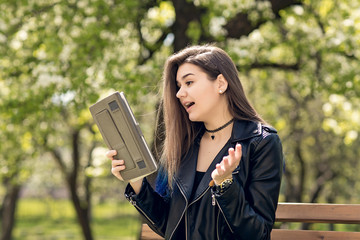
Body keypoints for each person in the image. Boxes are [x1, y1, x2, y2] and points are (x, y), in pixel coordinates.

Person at [106, 44, 284, 240]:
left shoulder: (262, 143)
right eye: (178, 86)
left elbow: (258, 234)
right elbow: (169, 224)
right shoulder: (184, 144)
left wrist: (225, 185)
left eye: (188, 82)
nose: (179, 93)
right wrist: (136, 179)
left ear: (221, 83)